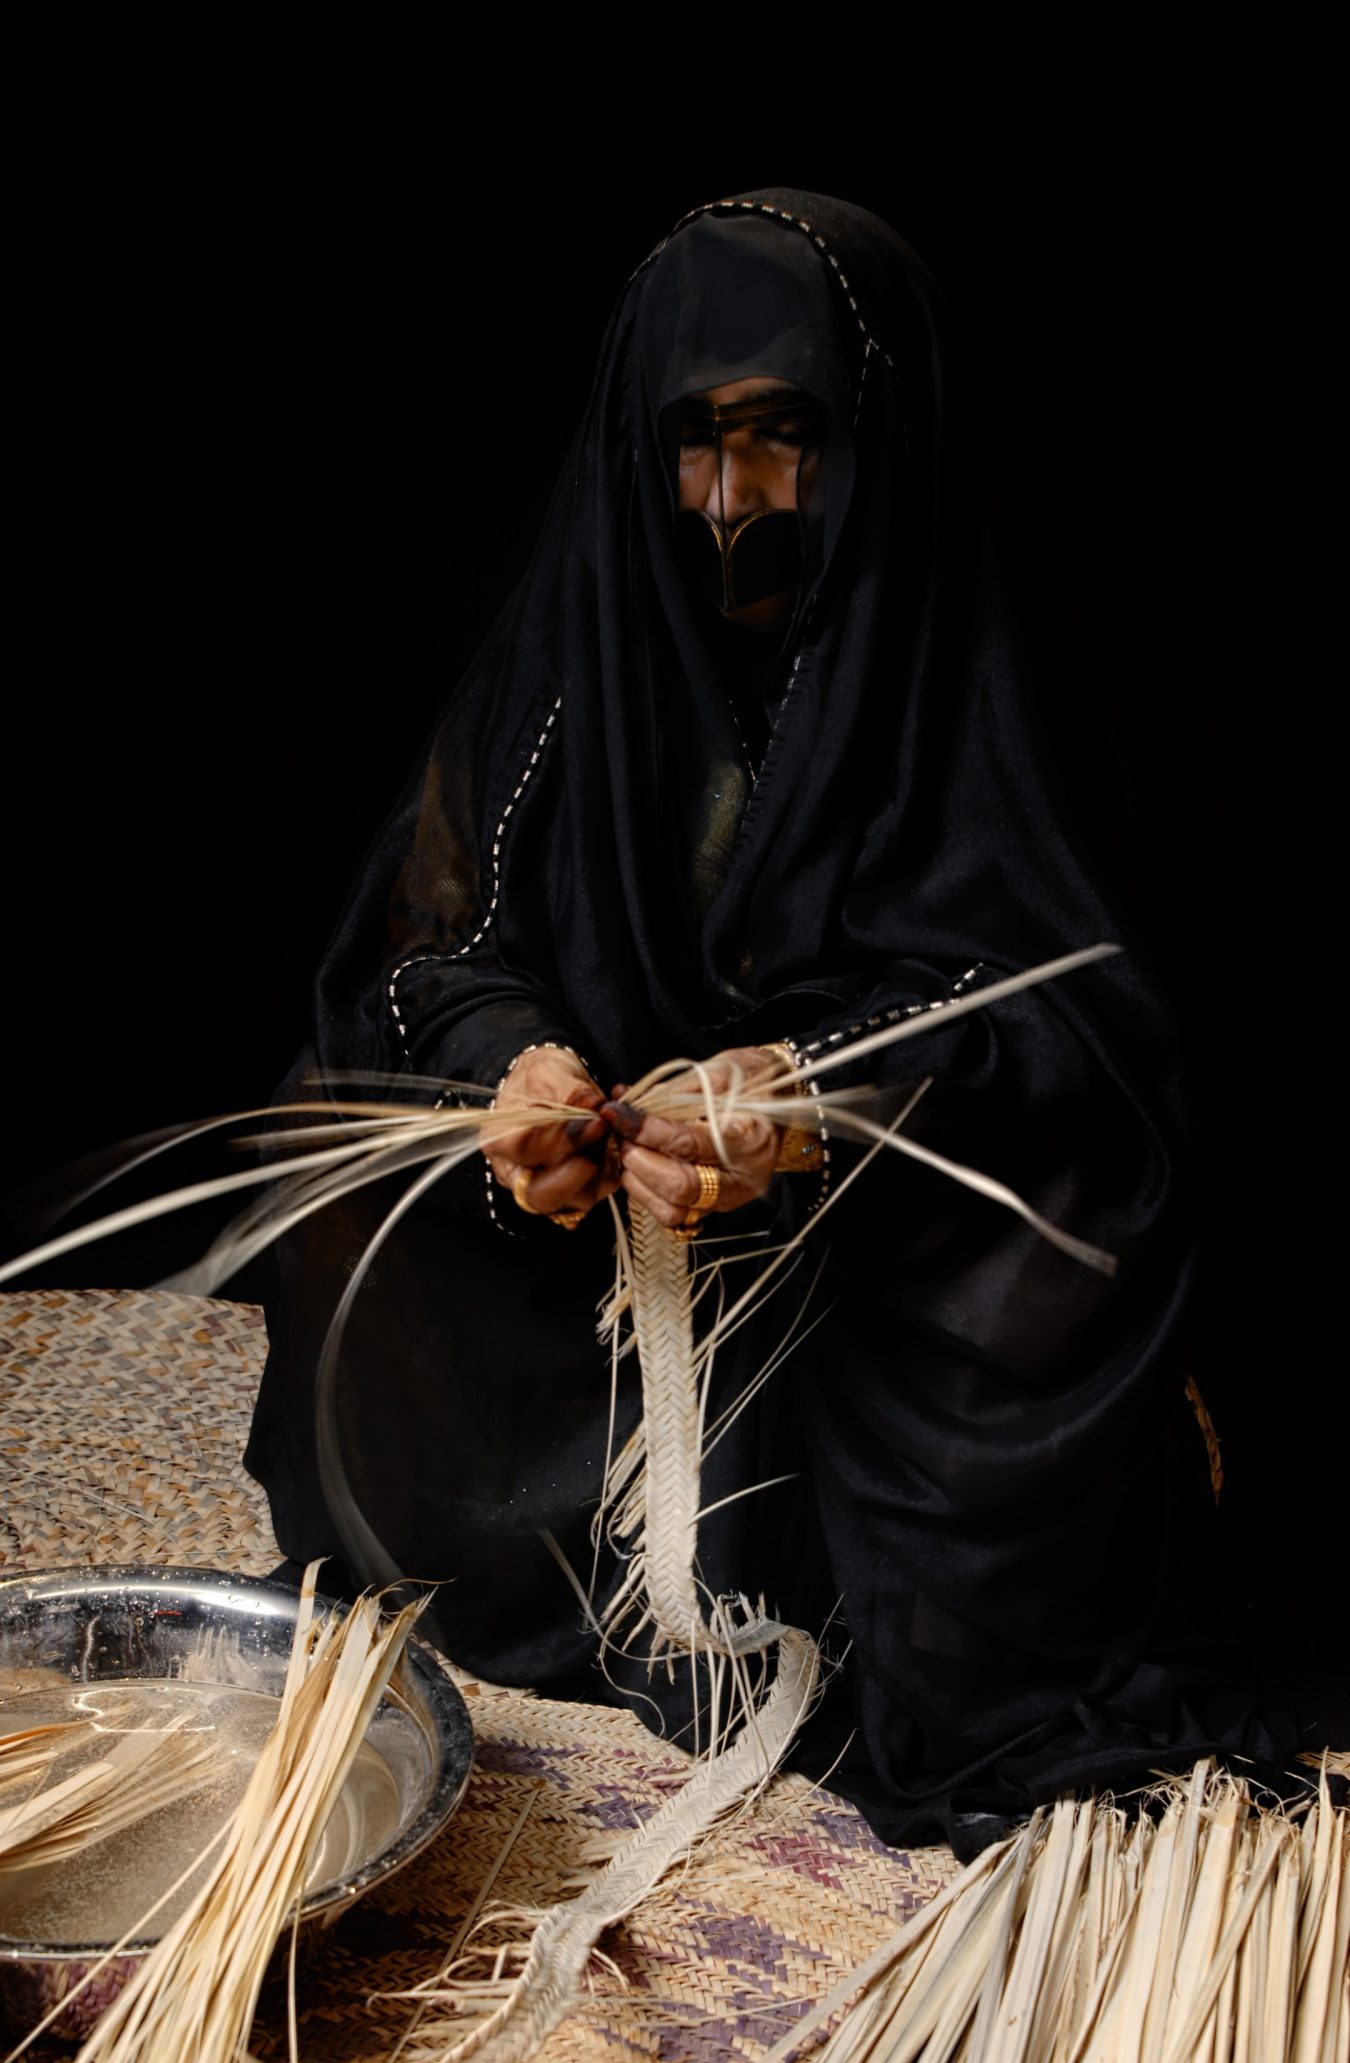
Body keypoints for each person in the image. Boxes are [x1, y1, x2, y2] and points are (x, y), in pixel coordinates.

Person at [246, 188, 1295, 1855]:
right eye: (694, 444)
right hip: (603, 1243)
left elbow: (1070, 1038)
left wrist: (824, 1103)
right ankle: (541, 1569)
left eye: (787, 438)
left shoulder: (964, 659)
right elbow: (427, 947)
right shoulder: (584, 650)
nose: (735, 508)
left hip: (862, 1232)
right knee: (348, 1157)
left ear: (877, 434)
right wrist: (511, 1080)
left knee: (1058, 1257)